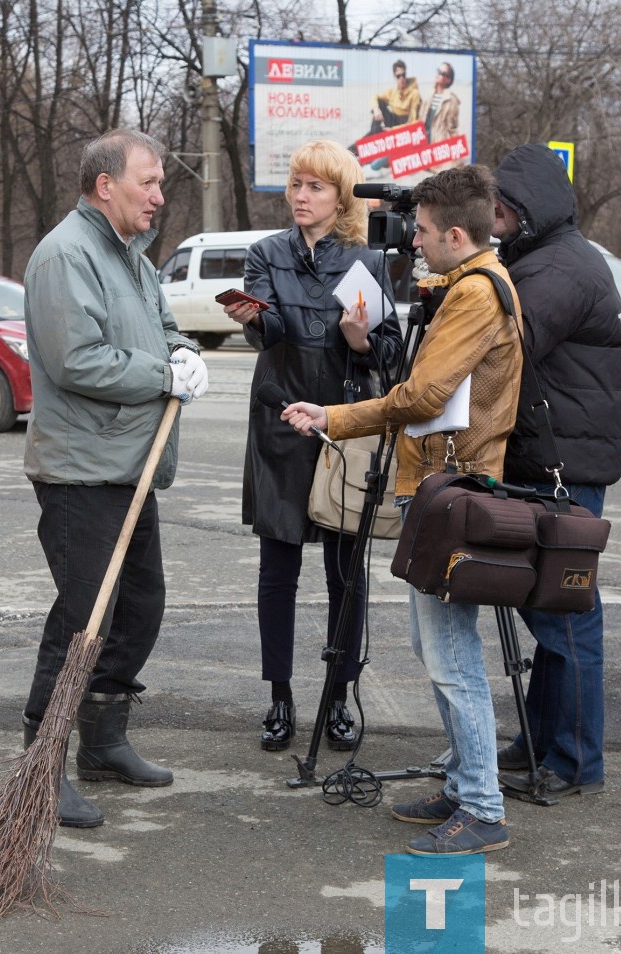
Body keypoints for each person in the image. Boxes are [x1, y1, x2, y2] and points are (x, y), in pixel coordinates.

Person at [282, 164, 523, 854]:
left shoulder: (477, 293)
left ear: (455, 233)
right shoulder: (469, 283)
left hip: (455, 491)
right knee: (436, 646)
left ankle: (481, 805)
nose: (413, 242)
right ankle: (462, 783)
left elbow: (420, 396)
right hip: (444, 488)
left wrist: (333, 414)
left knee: (450, 656)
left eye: (420, 232)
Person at [21, 128, 209, 828]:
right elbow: (78, 361)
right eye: (149, 182)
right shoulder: (65, 256)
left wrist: (184, 353)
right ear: (107, 186)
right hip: (81, 471)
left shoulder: (130, 256)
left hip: (130, 469)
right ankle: (42, 764)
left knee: (138, 608)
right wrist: (163, 375)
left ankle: (103, 742)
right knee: (82, 622)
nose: (160, 196)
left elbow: (162, 327)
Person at [221, 139, 401, 754]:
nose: (301, 196)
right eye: (296, 184)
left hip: (345, 426)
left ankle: (341, 694)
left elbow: (393, 356)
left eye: (316, 186)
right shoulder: (265, 252)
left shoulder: (368, 261)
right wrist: (251, 316)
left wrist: (358, 339)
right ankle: (279, 696)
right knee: (279, 570)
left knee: (345, 574)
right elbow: (267, 333)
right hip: (279, 423)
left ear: (341, 195)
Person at [491, 143, 621, 801]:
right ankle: (541, 738)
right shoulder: (547, 259)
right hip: (554, 461)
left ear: (529, 209)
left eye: (500, 208)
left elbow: (503, 346)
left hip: (564, 468)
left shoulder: (562, 270)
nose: (492, 219)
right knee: (550, 607)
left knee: (569, 616)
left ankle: (577, 761)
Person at [350, 60, 421, 171]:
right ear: (395, 77)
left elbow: (414, 123)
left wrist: (393, 129)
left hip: (403, 126)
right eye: (398, 76)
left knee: (376, 133)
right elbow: (375, 97)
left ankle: (355, 154)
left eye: (404, 75)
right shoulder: (393, 91)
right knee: (379, 104)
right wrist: (376, 109)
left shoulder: (414, 93)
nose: (402, 78)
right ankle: (351, 153)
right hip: (393, 120)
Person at [419, 62, 460, 144]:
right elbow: (420, 120)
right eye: (438, 71)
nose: (438, 74)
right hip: (424, 143)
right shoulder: (428, 96)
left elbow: (452, 129)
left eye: (442, 73)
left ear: (448, 80)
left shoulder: (451, 100)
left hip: (439, 145)